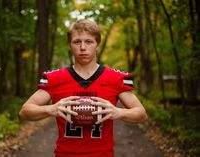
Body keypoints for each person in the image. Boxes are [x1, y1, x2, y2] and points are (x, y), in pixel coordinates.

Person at [19, 19, 148, 157]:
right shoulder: (56, 78)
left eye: (89, 41)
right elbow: (24, 112)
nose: (82, 47)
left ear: (97, 44)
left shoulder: (114, 78)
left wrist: (118, 112)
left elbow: (141, 114)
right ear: (70, 45)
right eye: (77, 42)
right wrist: (50, 109)